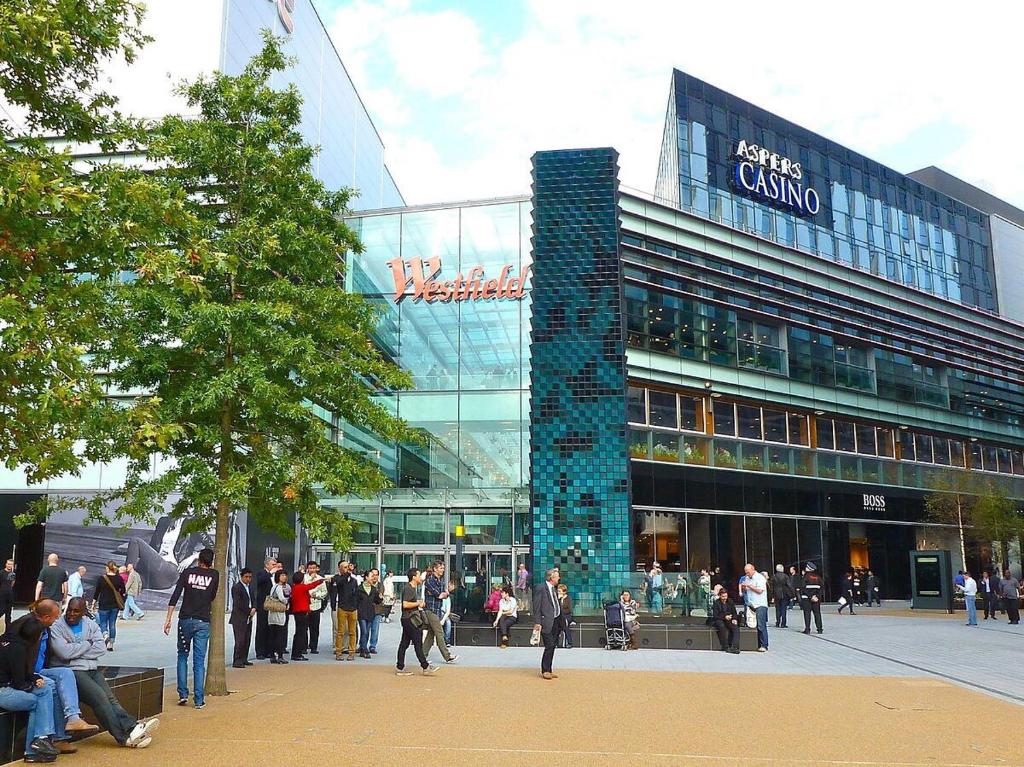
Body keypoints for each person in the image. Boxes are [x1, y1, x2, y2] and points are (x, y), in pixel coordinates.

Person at [48, 598, 159, 749]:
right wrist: (87, 644)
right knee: (100, 699)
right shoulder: (57, 626)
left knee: (111, 699)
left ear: (84, 612)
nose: (71, 614)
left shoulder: (90, 624)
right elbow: (64, 652)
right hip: (73, 671)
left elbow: (101, 648)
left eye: (76, 611)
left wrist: (76, 650)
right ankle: (124, 737)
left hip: (92, 669)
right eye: (69, 610)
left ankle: (132, 729)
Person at [0, 615, 61, 763]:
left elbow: (19, 674)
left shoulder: (6, 641)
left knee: (44, 690)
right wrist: (32, 682)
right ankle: (36, 745)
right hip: (4, 692)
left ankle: (39, 741)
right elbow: (19, 684)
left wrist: (34, 679)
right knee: (38, 700)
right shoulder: (19, 649)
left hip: (6, 686)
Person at [164, 547, 219, 709]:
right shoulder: (214, 575)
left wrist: (168, 619)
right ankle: (199, 699)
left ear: (199, 559)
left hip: (185, 619)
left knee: (182, 655)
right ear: (211, 561)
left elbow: (175, 595)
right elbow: (213, 596)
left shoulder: (187, 573)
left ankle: (182, 693)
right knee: (199, 661)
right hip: (203, 620)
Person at [395, 567, 436, 676]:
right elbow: (405, 604)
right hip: (410, 619)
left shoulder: (412, 588)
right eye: (419, 575)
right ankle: (425, 666)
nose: (421, 578)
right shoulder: (409, 588)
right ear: (414, 577)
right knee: (417, 642)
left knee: (404, 643)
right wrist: (418, 603)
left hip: (408, 619)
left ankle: (400, 667)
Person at [422, 561, 458, 665]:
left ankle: (423, 656)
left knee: (430, 635)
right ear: (435, 569)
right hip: (430, 610)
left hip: (437, 610)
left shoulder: (440, 581)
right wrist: (445, 593)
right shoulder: (430, 581)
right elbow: (439, 595)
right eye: (441, 568)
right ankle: (447, 656)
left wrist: (444, 593)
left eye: (443, 568)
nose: (442, 570)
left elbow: (443, 594)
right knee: (439, 632)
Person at [533, 568, 564, 680]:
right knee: (549, 645)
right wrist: (537, 622)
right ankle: (545, 669)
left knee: (553, 645)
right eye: (557, 576)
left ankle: (549, 669)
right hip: (546, 621)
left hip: (556, 621)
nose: (559, 578)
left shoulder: (554, 589)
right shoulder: (541, 588)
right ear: (552, 578)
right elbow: (536, 606)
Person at [288, 569, 324, 662]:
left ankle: (296, 653)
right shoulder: (301, 587)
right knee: (301, 633)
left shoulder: (295, 587)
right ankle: (297, 653)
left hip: (298, 611)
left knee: (299, 633)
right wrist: (320, 580)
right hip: (301, 612)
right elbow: (311, 585)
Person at [91, 561, 127, 652]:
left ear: (107, 568)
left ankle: (105, 635)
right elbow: (123, 591)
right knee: (112, 624)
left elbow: (97, 592)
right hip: (114, 605)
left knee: (103, 623)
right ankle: (111, 643)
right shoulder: (119, 579)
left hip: (103, 604)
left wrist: (93, 603)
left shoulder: (101, 579)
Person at [331, 561, 359, 661]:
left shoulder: (354, 580)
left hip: (352, 608)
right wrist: (333, 606)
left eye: (348, 567)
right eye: (345, 567)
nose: (348, 569)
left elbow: (356, 593)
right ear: (340, 568)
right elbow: (336, 588)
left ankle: (351, 652)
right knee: (340, 631)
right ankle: (338, 651)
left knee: (352, 631)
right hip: (342, 607)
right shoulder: (337, 579)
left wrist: (356, 605)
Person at [229, 567, 256, 668]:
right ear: (241, 576)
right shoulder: (237, 587)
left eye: (250, 577)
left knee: (247, 639)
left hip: (249, 616)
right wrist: (249, 610)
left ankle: (244, 658)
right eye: (246, 577)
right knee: (240, 639)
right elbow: (238, 603)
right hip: (239, 617)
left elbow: (253, 599)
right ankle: (237, 660)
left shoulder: (251, 587)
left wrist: (254, 608)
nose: (248, 579)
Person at [739, 563, 769, 652]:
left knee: (761, 625)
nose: (747, 574)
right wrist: (744, 587)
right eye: (745, 572)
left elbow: (760, 590)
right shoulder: (747, 578)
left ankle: (764, 644)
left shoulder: (760, 578)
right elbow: (746, 589)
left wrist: (749, 586)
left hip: (760, 604)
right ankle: (756, 643)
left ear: (753, 569)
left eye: (748, 572)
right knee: (751, 624)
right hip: (750, 604)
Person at [356, 568, 383, 659]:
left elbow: (377, 601)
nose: (373, 578)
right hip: (362, 613)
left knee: (367, 631)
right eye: (371, 576)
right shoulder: (359, 588)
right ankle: (364, 649)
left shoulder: (374, 589)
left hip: (370, 613)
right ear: (366, 577)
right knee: (364, 631)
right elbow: (355, 601)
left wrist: (380, 597)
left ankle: (363, 649)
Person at [266, 569, 290, 664]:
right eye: (282, 575)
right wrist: (287, 601)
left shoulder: (274, 587)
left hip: (272, 613)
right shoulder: (279, 587)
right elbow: (282, 599)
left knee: (273, 635)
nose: (284, 577)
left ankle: (272, 655)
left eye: (285, 575)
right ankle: (280, 655)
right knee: (280, 635)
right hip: (279, 613)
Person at [711, 587, 740, 653]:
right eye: (723, 596)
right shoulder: (716, 603)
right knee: (722, 627)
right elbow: (715, 615)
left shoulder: (730, 601)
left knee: (735, 628)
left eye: (726, 596)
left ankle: (735, 647)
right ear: (720, 596)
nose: (725, 598)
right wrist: (724, 617)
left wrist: (734, 619)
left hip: (729, 619)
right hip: (720, 619)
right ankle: (726, 647)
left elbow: (734, 612)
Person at [799, 562, 824, 634]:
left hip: (806, 598)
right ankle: (819, 629)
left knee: (807, 613)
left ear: (808, 568)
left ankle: (807, 629)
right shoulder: (818, 577)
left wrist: (810, 596)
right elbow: (821, 588)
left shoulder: (805, 577)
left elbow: (803, 588)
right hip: (816, 599)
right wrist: (817, 596)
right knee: (817, 613)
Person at [493, 584, 518, 649]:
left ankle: (504, 641)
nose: (501, 594)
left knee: (503, 624)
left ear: (507, 593)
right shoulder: (501, 601)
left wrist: (504, 612)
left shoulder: (513, 600)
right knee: (502, 620)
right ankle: (505, 637)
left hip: (512, 617)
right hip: (504, 617)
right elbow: (500, 611)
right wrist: (496, 620)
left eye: (503, 593)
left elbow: (511, 612)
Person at [557, 582, 574, 648]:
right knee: (556, 627)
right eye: (558, 591)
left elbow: (569, 610)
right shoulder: (557, 598)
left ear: (564, 592)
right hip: (559, 616)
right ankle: (556, 642)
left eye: (559, 591)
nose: (558, 592)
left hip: (567, 615)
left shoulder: (568, 599)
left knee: (565, 627)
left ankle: (569, 643)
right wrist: (559, 599)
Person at [1, 559, 16, 630]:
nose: (9, 566)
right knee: (1, 610)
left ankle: (8, 631)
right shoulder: (1, 572)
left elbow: (12, 583)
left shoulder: (13, 574)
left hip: (10, 595)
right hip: (2, 594)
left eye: (11, 564)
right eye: (8, 564)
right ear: (6, 564)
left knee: (8, 614)